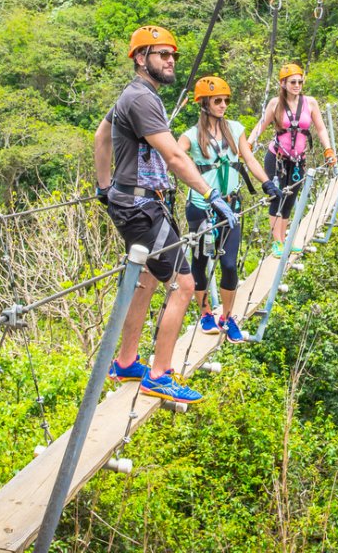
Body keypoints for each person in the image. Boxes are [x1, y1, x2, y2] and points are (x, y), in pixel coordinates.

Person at [94, 25, 238, 403]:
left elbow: (101, 136)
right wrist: (211, 194)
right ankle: (159, 375)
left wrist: (105, 187)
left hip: (135, 203)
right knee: (185, 285)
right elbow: (175, 156)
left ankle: (126, 362)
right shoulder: (141, 99)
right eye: (161, 54)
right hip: (142, 207)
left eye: (172, 55)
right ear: (141, 59)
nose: (171, 60)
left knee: (146, 278)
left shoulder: (136, 95)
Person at [178, 76, 281, 344]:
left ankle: (228, 316)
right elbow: (175, 159)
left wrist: (267, 182)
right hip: (201, 208)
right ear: (203, 104)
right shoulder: (190, 136)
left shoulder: (235, 129)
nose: (223, 105)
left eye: (225, 100)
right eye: (217, 101)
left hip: (230, 207)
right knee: (200, 263)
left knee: (229, 265)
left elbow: (248, 158)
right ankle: (205, 313)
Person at [248, 63, 337, 257]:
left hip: (298, 160)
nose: (297, 85)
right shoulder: (275, 104)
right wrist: (247, 145)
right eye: (292, 82)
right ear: (283, 84)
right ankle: (278, 242)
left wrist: (328, 149)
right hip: (277, 158)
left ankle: (285, 239)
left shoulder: (310, 103)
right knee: (276, 196)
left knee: (290, 199)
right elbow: (260, 126)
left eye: (299, 81)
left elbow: (320, 128)